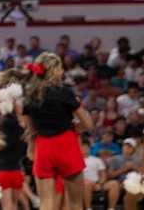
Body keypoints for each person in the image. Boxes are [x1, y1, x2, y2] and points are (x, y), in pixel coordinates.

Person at [16, 53, 92, 210]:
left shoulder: (30, 96)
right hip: (66, 144)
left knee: (46, 203)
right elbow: (87, 124)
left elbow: (31, 131)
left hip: (43, 147)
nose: (62, 71)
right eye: (60, 68)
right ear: (54, 70)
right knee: (75, 204)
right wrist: (75, 125)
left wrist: (31, 150)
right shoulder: (64, 92)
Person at [0, 74, 31, 210]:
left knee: (6, 206)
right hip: (16, 172)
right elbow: (23, 118)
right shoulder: (20, 132)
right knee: (15, 205)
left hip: (2, 173)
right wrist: (14, 102)